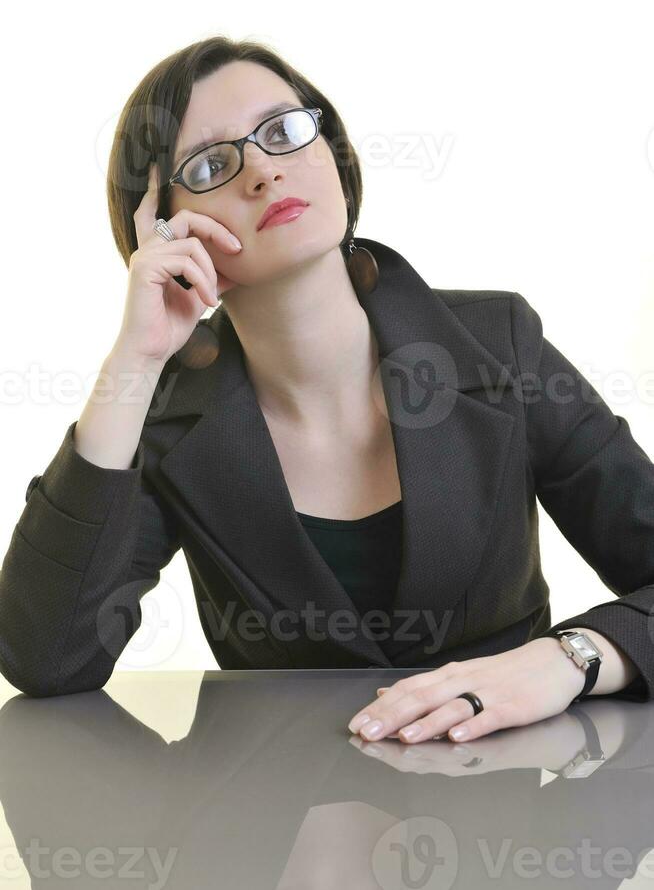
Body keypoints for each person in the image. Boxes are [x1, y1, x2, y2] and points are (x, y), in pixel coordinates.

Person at [0, 37, 652, 747]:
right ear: (164, 227)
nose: (264, 173)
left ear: (333, 154)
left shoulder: (500, 346)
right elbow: (47, 657)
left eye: (283, 132)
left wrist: (569, 660)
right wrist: (134, 359)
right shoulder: (163, 419)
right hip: (273, 840)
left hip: (504, 815)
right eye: (213, 164)